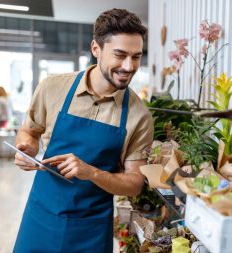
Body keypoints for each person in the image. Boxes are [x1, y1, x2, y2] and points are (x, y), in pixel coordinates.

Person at [13, 8, 153, 252]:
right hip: (42, 216)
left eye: (136, 56)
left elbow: (134, 184)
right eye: (120, 55)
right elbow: (29, 132)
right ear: (96, 49)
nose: (129, 66)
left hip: (91, 228)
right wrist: (27, 148)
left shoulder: (139, 115)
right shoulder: (53, 87)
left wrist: (90, 172)